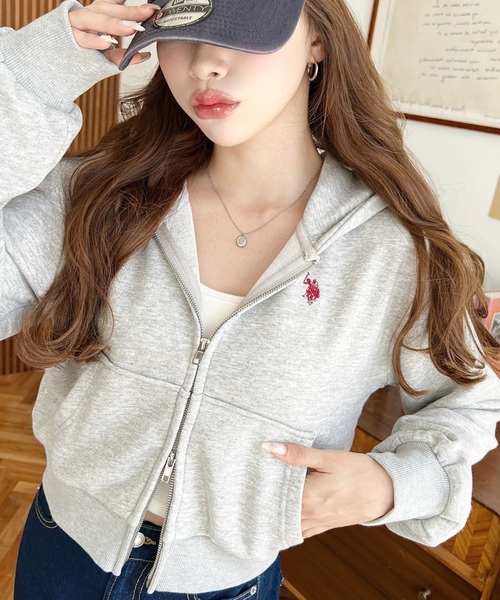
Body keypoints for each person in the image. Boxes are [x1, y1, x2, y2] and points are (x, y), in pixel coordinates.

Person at [1, 0, 499, 598]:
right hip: (62, 548)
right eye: (182, 32)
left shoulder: (396, 255)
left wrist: (395, 484)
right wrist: (30, 76)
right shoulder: (97, 198)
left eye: (241, 32)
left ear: (317, 40)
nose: (204, 64)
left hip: (227, 584)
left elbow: (468, 400)